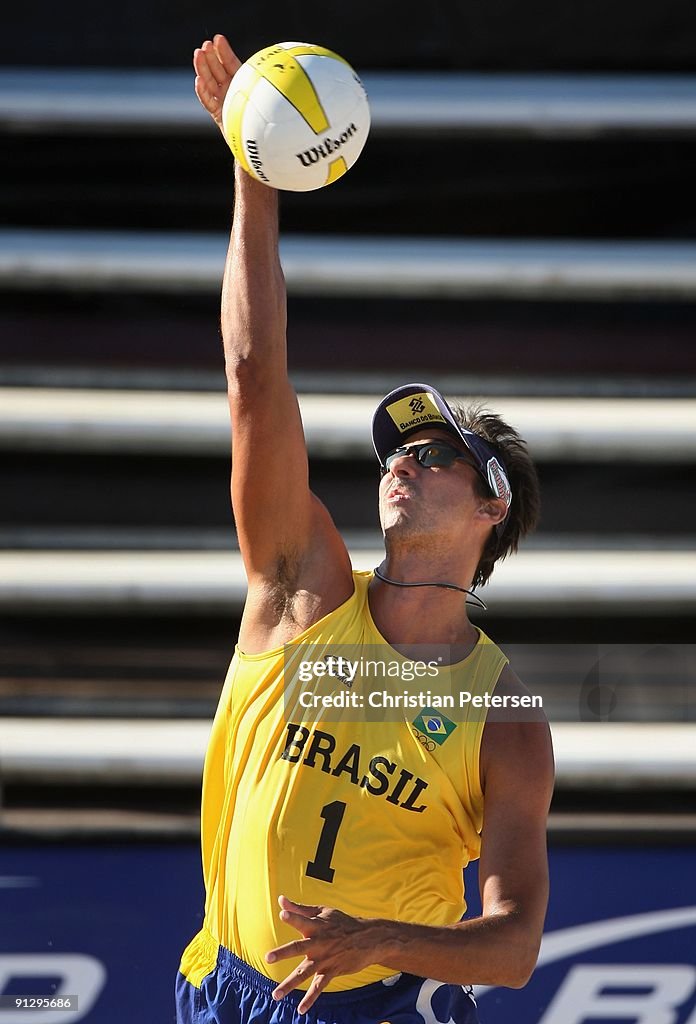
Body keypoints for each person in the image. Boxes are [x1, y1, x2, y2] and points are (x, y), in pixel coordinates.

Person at [176, 33, 554, 1024]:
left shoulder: (504, 718)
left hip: (372, 1006)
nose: (402, 463)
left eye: (434, 455)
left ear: (491, 505)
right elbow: (255, 379)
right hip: (224, 986)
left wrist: (371, 939)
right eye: (396, 450)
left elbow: (514, 944)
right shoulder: (303, 584)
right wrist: (253, 172)